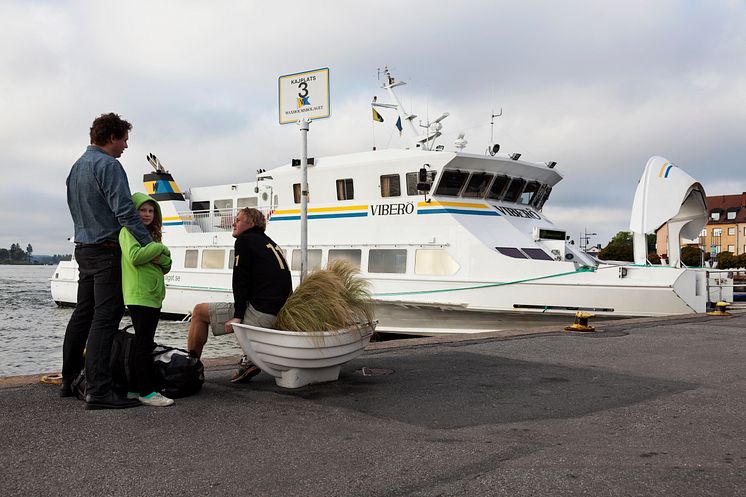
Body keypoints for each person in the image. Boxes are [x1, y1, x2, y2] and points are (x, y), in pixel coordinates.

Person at [61, 113, 152, 410]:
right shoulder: (109, 165)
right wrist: (150, 244)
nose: (126, 145)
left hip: (83, 248)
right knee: (106, 317)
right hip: (106, 249)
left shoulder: (76, 168)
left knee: (82, 314)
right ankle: (99, 390)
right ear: (111, 137)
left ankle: (70, 380)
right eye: (124, 139)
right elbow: (125, 211)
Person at [186, 207, 292, 382]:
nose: (233, 223)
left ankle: (190, 366)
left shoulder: (245, 240)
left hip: (262, 315)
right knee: (250, 302)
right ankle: (250, 358)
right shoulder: (269, 243)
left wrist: (237, 316)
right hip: (279, 312)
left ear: (251, 223)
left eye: (238, 220)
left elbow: (240, 280)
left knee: (198, 312)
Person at [120, 193, 174, 407]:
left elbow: (167, 265)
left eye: (151, 211)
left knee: (143, 342)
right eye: (143, 210)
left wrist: (159, 254)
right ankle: (147, 391)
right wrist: (161, 249)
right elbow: (135, 256)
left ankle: (135, 388)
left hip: (152, 295)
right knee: (144, 344)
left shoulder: (150, 236)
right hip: (140, 294)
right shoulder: (128, 232)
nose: (147, 214)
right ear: (134, 211)